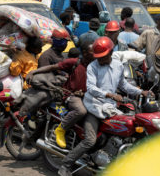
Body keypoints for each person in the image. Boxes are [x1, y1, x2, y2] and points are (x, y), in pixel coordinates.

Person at [58, 37, 153, 176]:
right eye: (98, 57)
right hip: (93, 107)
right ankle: (65, 165)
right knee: (90, 140)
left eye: (102, 57)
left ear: (110, 53)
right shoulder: (92, 67)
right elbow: (90, 88)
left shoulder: (118, 65)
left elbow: (123, 85)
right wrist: (108, 94)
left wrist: (141, 91)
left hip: (110, 107)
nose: (100, 60)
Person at [27, 41, 94, 148]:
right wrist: (33, 72)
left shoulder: (96, 66)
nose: (96, 54)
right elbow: (53, 67)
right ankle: (61, 129)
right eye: (93, 51)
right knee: (81, 111)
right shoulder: (74, 62)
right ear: (85, 53)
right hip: (70, 96)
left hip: (86, 97)